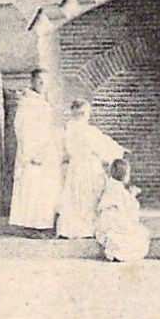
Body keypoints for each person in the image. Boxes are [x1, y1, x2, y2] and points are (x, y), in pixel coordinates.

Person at [56, 100, 125, 239]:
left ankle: (69, 229)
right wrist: (119, 151)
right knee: (88, 198)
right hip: (87, 167)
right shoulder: (87, 131)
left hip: (74, 168)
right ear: (83, 114)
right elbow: (102, 146)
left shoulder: (67, 131)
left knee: (73, 198)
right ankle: (85, 229)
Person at [8, 70, 63, 235]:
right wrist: (32, 154)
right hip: (32, 152)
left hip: (45, 151)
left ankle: (43, 225)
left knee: (45, 188)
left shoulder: (42, 102)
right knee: (32, 188)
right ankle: (30, 226)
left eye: (45, 82)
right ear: (32, 82)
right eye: (39, 81)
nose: (43, 85)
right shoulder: (28, 103)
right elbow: (23, 130)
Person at [94, 158, 150, 263]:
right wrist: (133, 195)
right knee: (139, 234)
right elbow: (129, 206)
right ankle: (119, 253)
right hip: (117, 219)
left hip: (106, 220)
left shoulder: (110, 185)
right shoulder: (120, 189)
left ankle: (114, 251)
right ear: (124, 175)